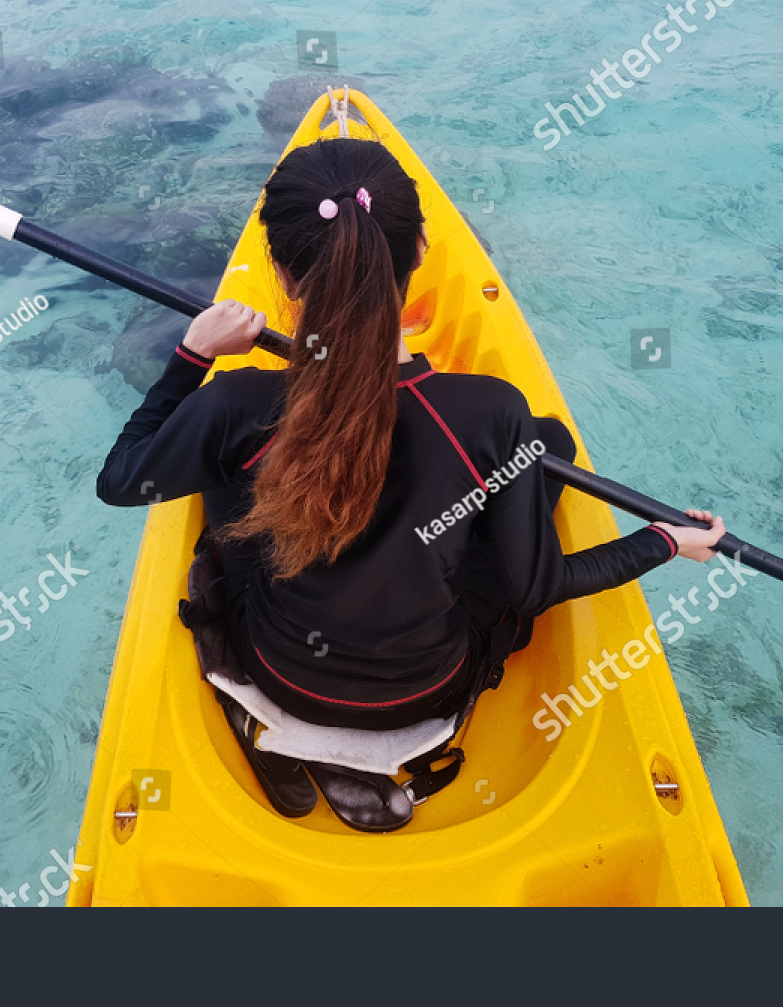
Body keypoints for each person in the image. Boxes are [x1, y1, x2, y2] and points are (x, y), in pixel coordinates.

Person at [97, 138, 725, 819]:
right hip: (424, 691)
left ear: (279, 274)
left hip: (276, 668)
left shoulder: (239, 403)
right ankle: (374, 755)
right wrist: (663, 541)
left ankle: (268, 728)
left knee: (222, 459)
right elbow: (535, 587)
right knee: (548, 444)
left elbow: (122, 479)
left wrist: (192, 355)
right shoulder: (487, 412)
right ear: (422, 249)